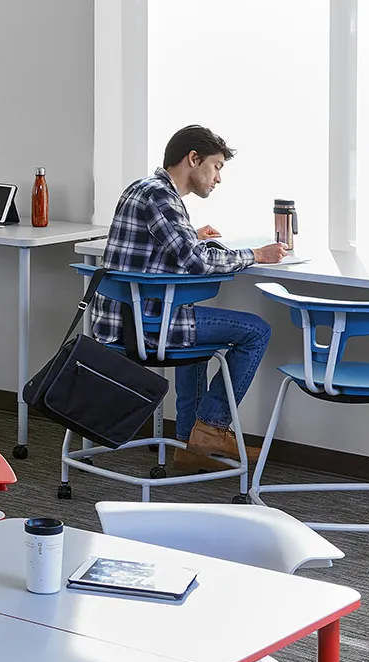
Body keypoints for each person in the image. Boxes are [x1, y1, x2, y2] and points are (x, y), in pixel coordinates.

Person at [90, 124, 292, 471]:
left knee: (191, 325)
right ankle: (210, 429)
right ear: (193, 159)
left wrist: (190, 235)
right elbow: (197, 262)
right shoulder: (162, 197)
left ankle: (189, 441)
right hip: (146, 328)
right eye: (216, 167)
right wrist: (257, 254)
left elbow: (151, 248)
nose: (218, 178)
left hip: (118, 324)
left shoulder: (143, 188)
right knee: (256, 331)